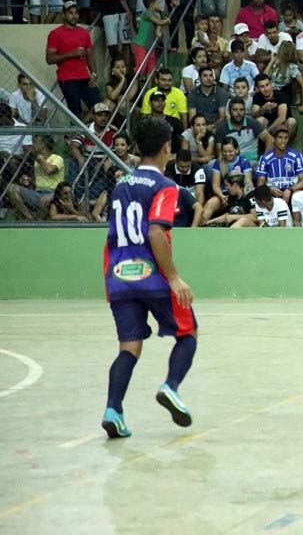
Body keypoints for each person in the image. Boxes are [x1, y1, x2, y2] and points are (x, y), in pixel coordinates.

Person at [100, 117, 198, 439]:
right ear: (168, 147)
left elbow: (112, 236)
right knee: (188, 332)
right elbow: (156, 230)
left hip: (118, 277)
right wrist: (173, 278)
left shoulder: (120, 185)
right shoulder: (166, 187)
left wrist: (110, 282)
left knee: (129, 347)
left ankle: (113, 410)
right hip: (152, 276)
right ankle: (170, 387)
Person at [45, 1, 100, 118]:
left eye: (76, 13)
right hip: (68, 79)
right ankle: (75, 135)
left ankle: (89, 132)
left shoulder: (84, 33)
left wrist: (94, 73)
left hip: (85, 78)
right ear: (64, 15)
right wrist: (71, 54)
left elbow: (90, 54)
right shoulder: (55, 34)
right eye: (70, 13)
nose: (74, 16)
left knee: (98, 107)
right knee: (75, 112)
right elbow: (49, 59)